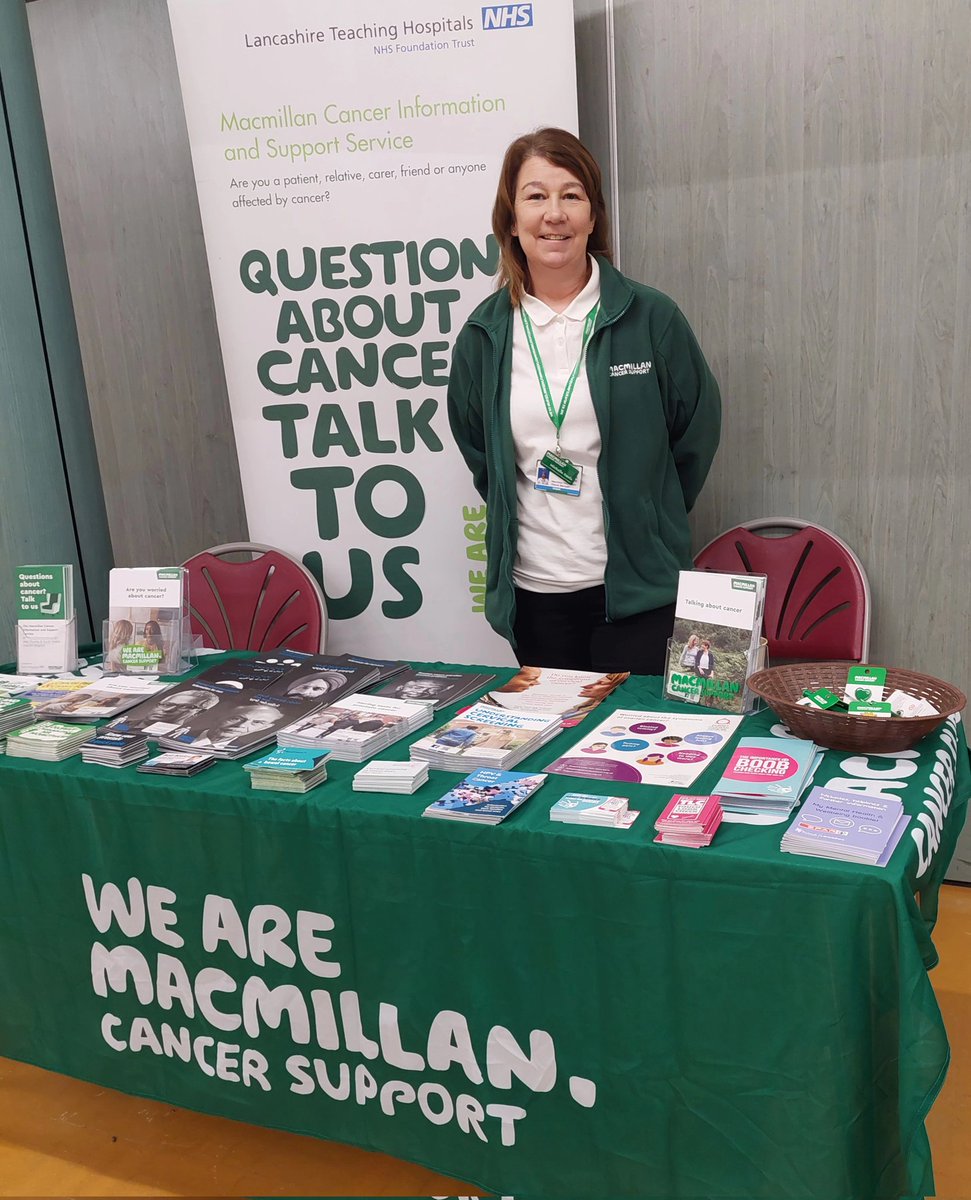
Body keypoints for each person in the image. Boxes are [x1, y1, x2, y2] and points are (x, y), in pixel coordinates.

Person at [447, 128, 720, 676]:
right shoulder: (485, 334)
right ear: (510, 218)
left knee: (638, 750)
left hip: (638, 595)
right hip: (535, 598)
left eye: (571, 195)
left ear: (593, 216)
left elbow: (694, 436)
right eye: (536, 196)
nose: (555, 214)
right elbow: (482, 454)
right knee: (554, 752)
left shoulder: (650, 318)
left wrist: (648, 512)